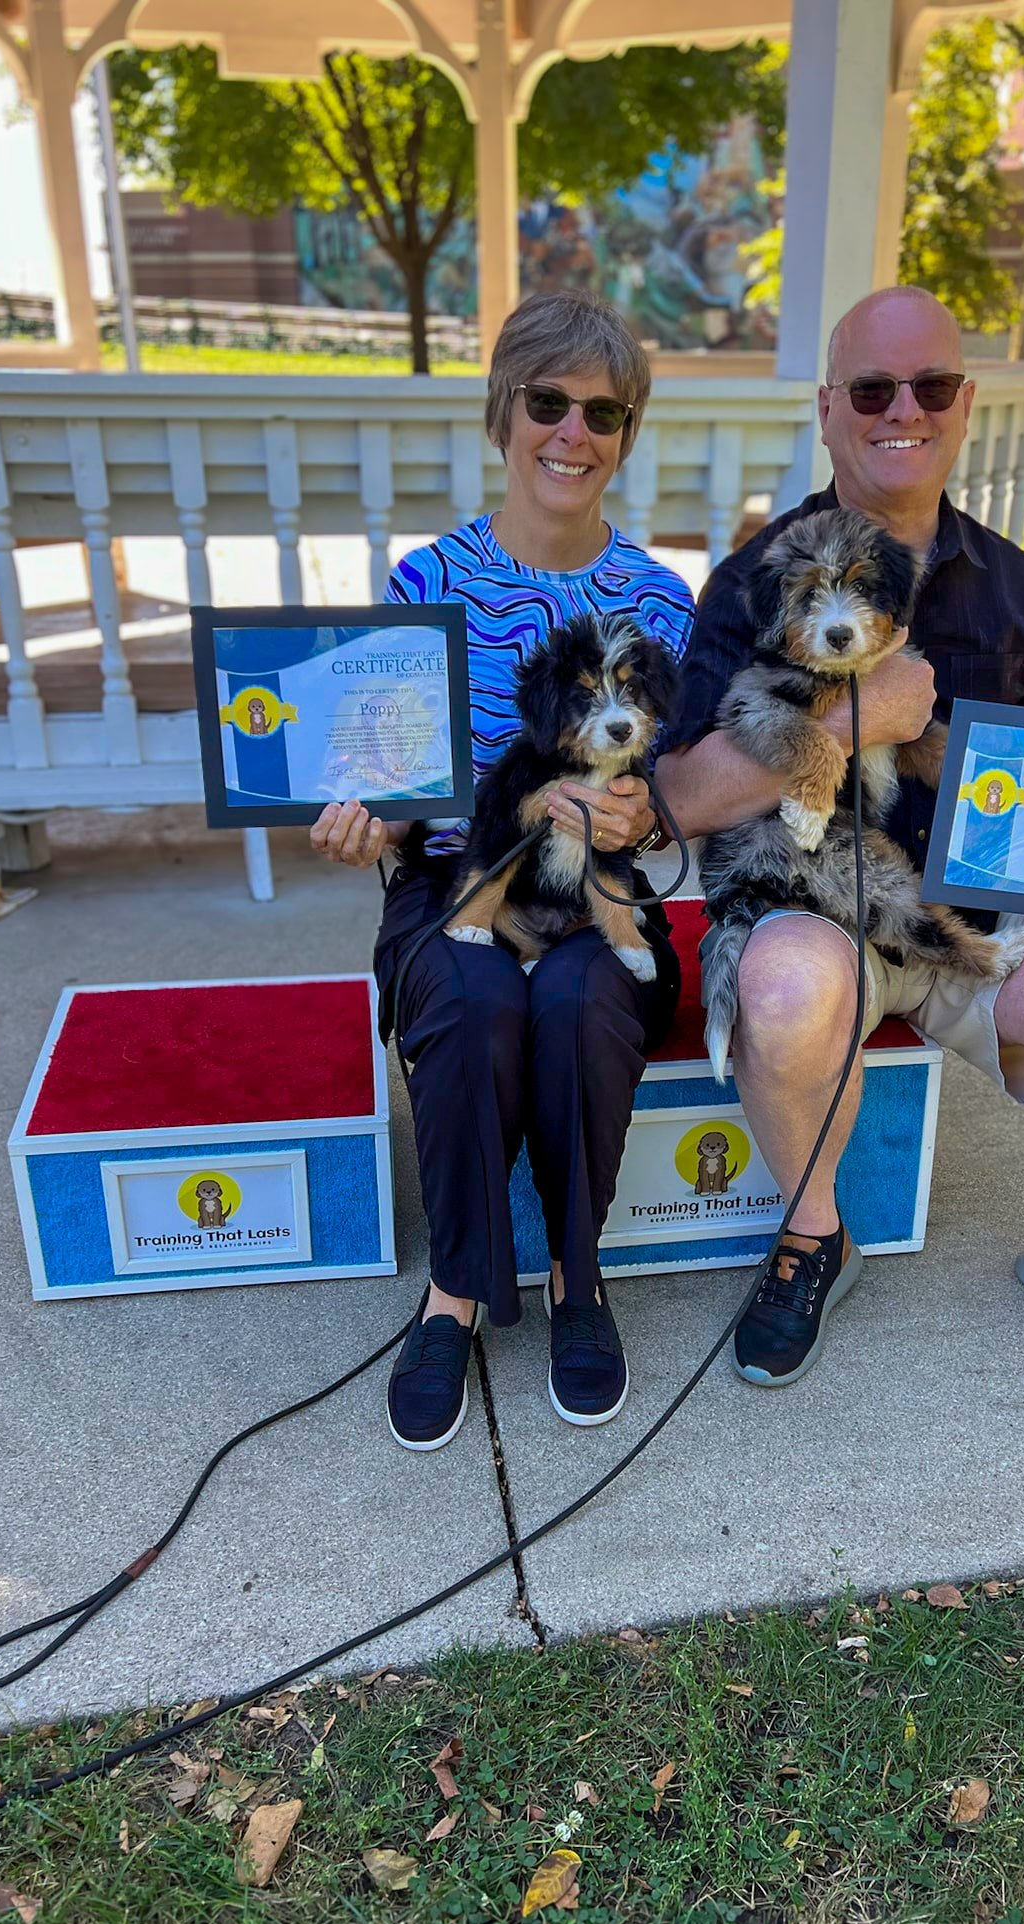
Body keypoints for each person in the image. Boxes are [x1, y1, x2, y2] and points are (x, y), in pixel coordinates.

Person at [654, 285, 1024, 1395]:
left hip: (972, 919)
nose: (900, 408)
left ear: (964, 406)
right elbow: (680, 792)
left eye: (931, 385)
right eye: (872, 388)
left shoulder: (1020, 593)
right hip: (819, 914)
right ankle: (814, 1235)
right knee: (777, 987)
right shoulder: (754, 579)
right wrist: (850, 720)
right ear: (827, 409)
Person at [311, 291, 694, 1452]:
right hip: (456, 882)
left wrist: (638, 817)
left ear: (625, 433)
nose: (573, 433)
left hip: (599, 895)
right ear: (504, 413)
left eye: (603, 410)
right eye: (548, 403)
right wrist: (357, 827)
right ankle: (458, 1293)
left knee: (582, 999)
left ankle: (579, 1279)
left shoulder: (663, 605)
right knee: (474, 998)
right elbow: (372, 778)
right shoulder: (425, 586)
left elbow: (678, 806)